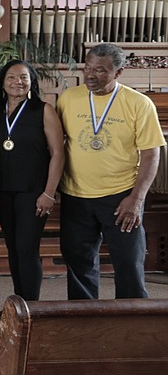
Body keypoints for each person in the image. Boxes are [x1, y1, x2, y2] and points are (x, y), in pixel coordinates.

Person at [56, 43, 165, 299]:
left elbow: (151, 154)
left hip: (121, 196)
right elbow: (56, 145)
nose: (91, 75)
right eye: (88, 67)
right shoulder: (69, 99)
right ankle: (84, 321)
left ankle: (132, 324)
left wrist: (136, 199)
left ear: (119, 72)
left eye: (101, 70)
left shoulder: (139, 103)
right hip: (76, 195)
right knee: (79, 264)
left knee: (128, 263)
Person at [0, 60, 65, 303]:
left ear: (31, 81)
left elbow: (58, 154)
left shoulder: (43, 110)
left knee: (26, 248)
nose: (17, 82)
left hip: (34, 192)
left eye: (23, 77)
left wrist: (49, 193)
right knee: (13, 248)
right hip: (2, 191)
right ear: (2, 82)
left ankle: (31, 307)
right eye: (11, 77)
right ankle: (19, 306)